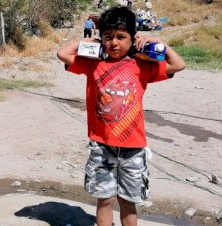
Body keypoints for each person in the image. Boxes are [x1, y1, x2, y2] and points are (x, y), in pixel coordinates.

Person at [57, 6, 185, 226]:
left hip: (133, 148)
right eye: (108, 37)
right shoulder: (93, 63)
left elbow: (179, 64)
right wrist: (86, 43)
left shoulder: (142, 65)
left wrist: (158, 43)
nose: (113, 42)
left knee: (128, 202)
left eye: (121, 37)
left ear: (132, 39)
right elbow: (62, 54)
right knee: (105, 200)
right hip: (101, 145)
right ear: (101, 37)